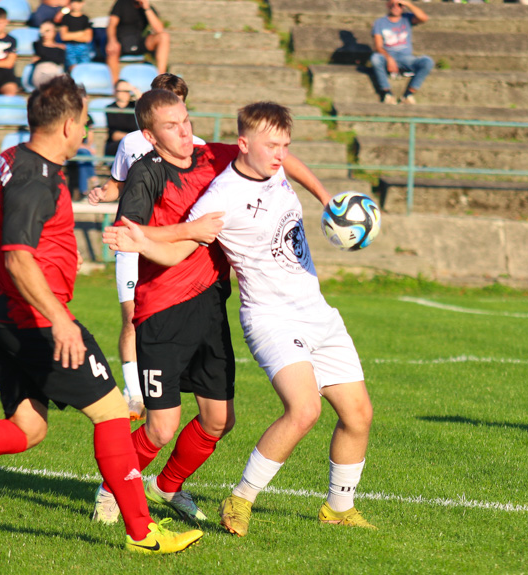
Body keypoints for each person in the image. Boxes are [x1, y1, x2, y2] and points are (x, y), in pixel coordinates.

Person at [0, 75, 203, 555]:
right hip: (34, 319)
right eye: (82, 123)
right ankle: (143, 534)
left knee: (28, 429)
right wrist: (60, 320)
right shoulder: (36, 179)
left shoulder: (11, 158)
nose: (85, 133)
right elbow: (18, 256)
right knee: (113, 414)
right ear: (64, 126)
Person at [101, 101, 375, 537]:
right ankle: (240, 496)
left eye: (285, 144)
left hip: (317, 310)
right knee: (303, 410)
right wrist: (139, 241)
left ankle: (339, 508)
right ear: (244, 145)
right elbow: (180, 246)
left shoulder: (274, 164)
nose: (281, 153)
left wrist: (328, 199)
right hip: (272, 317)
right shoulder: (222, 196)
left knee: (359, 414)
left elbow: (290, 162)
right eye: (272, 145)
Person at [89, 73, 204, 423]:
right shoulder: (132, 143)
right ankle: (134, 394)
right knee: (132, 317)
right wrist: (101, 192)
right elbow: (118, 186)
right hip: (133, 245)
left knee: (175, 320)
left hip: (169, 245)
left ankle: (169, 382)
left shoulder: (195, 146)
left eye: (176, 102)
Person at [370, 0, 433, 105]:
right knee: (375, 58)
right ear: (387, 5)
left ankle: (408, 94)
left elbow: (424, 18)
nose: (396, 7)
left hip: (406, 58)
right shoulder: (379, 23)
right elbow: (378, 46)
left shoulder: (407, 18)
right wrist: (389, 59)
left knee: (427, 61)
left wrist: (408, 4)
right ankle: (387, 93)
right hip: (387, 57)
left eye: (399, 5)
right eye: (392, 4)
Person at [106, 0, 170, 82]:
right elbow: (111, 25)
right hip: (121, 41)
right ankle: (116, 86)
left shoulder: (148, 8)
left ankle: (161, 80)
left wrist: (146, 8)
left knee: (164, 36)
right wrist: (112, 41)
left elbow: (159, 29)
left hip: (140, 42)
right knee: (112, 49)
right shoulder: (121, 3)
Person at [104, 79, 140, 158]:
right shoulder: (110, 108)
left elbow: (145, 104)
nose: (125, 94)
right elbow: (114, 135)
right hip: (117, 144)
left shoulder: (135, 107)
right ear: (115, 92)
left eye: (127, 91)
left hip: (133, 143)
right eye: (122, 91)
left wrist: (135, 90)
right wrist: (134, 137)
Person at [59, 0, 94, 70]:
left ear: (82, 3)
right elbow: (64, 37)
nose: (76, 5)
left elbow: (88, 38)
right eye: (74, 2)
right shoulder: (66, 18)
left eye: (78, 3)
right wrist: (80, 34)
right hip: (70, 47)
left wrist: (71, 36)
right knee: (72, 68)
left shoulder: (85, 18)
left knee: (85, 68)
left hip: (83, 47)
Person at [31, 20, 66, 88]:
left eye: (47, 31)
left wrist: (41, 59)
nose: (45, 33)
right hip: (42, 71)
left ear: (54, 32)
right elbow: (41, 52)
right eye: (42, 31)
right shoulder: (37, 44)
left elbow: (60, 60)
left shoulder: (61, 47)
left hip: (56, 71)